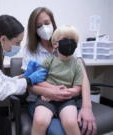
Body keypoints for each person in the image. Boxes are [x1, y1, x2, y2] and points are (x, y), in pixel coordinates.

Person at [22, 7, 96, 135]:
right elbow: (30, 82)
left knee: (70, 124)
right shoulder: (30, 51)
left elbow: (82, 78)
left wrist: (87, 107)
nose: (44, 28)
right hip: (42, 99)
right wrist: (51, 91)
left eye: (46, 23)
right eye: (38, 26)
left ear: (53, 23)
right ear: (34, 29)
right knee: (42, 122)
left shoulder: (69, 43)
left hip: (67, 98)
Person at [32, 25, 83, 135]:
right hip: (47, 98)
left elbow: (77, 89)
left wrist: (65, 92)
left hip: (67, 100)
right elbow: (38, 81)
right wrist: (53, 90)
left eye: (73, 40)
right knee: (40, 121)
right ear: (55, 44)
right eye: (65, 39)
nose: (69, 43)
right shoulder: (48, 61)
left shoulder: (77, 64)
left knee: (70, 122)